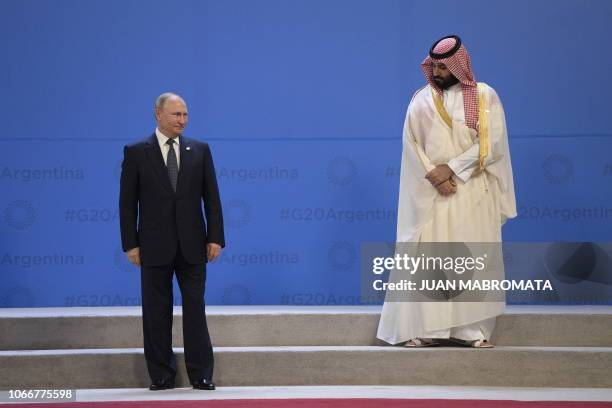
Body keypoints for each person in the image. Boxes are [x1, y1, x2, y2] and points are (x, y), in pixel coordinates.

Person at [377, 35, 516, 348]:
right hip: (434, 194)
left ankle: (472, 331)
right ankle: (430, 330)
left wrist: (451, 168)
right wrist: (436, 176)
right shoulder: (420, 99)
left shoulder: (484, 96)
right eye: (434, 66)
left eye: (443, 65)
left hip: (473, 190)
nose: (437, 71)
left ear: (459, 64)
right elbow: (411, 143)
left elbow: (490, 144)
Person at [119, 92, 225, 390]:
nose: (182, 120)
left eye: (185, 115)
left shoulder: (200, 150)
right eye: (176, 114)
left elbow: (212, 199)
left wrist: (216, 237)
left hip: (193, 246)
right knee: (155, 312)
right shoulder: (137, 151)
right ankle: (162, 375)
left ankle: (201, 374)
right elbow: (127, 204)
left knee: (195, 309)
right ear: (158, 114)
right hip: (152, 247)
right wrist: (131, 244)